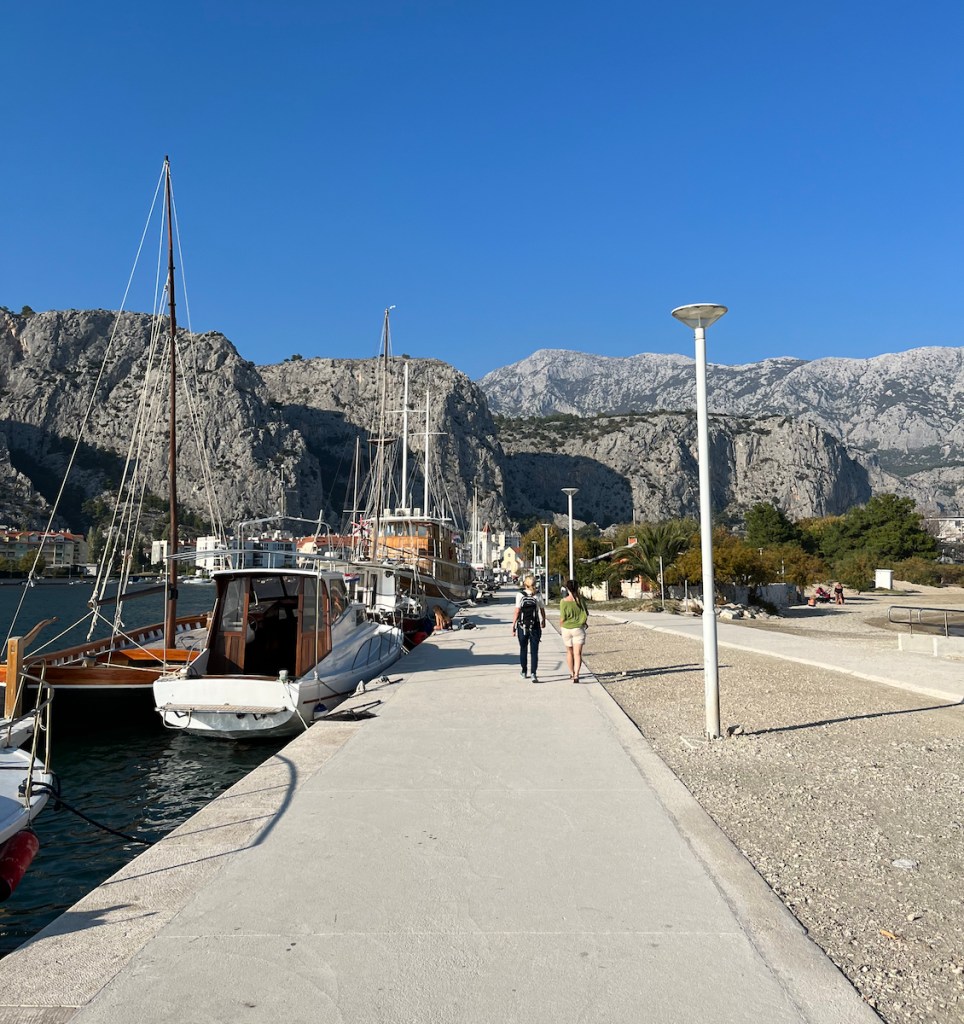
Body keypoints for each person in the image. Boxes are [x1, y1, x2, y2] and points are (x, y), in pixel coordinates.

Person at [512, 575, 546, 682]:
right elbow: (542, 610)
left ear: (524, 584)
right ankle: (533, 673)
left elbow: (517, 611)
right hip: (535, 626)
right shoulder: (538, 595)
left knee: (523, 649)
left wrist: (513, 625)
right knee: (534, 651)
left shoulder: (520, 595)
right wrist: (543, 620)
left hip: (522, 626)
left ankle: (523, 670)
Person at [559, 578, 589, 682]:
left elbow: (562, 618)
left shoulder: (563, 602)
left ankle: (571, 673)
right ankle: (577, 674)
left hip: (567, 628)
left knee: (569, 652)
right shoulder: (580, 601)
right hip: (578, 628)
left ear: (567, 588)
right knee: (578, 653)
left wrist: (561, 625)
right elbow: (586, 614)